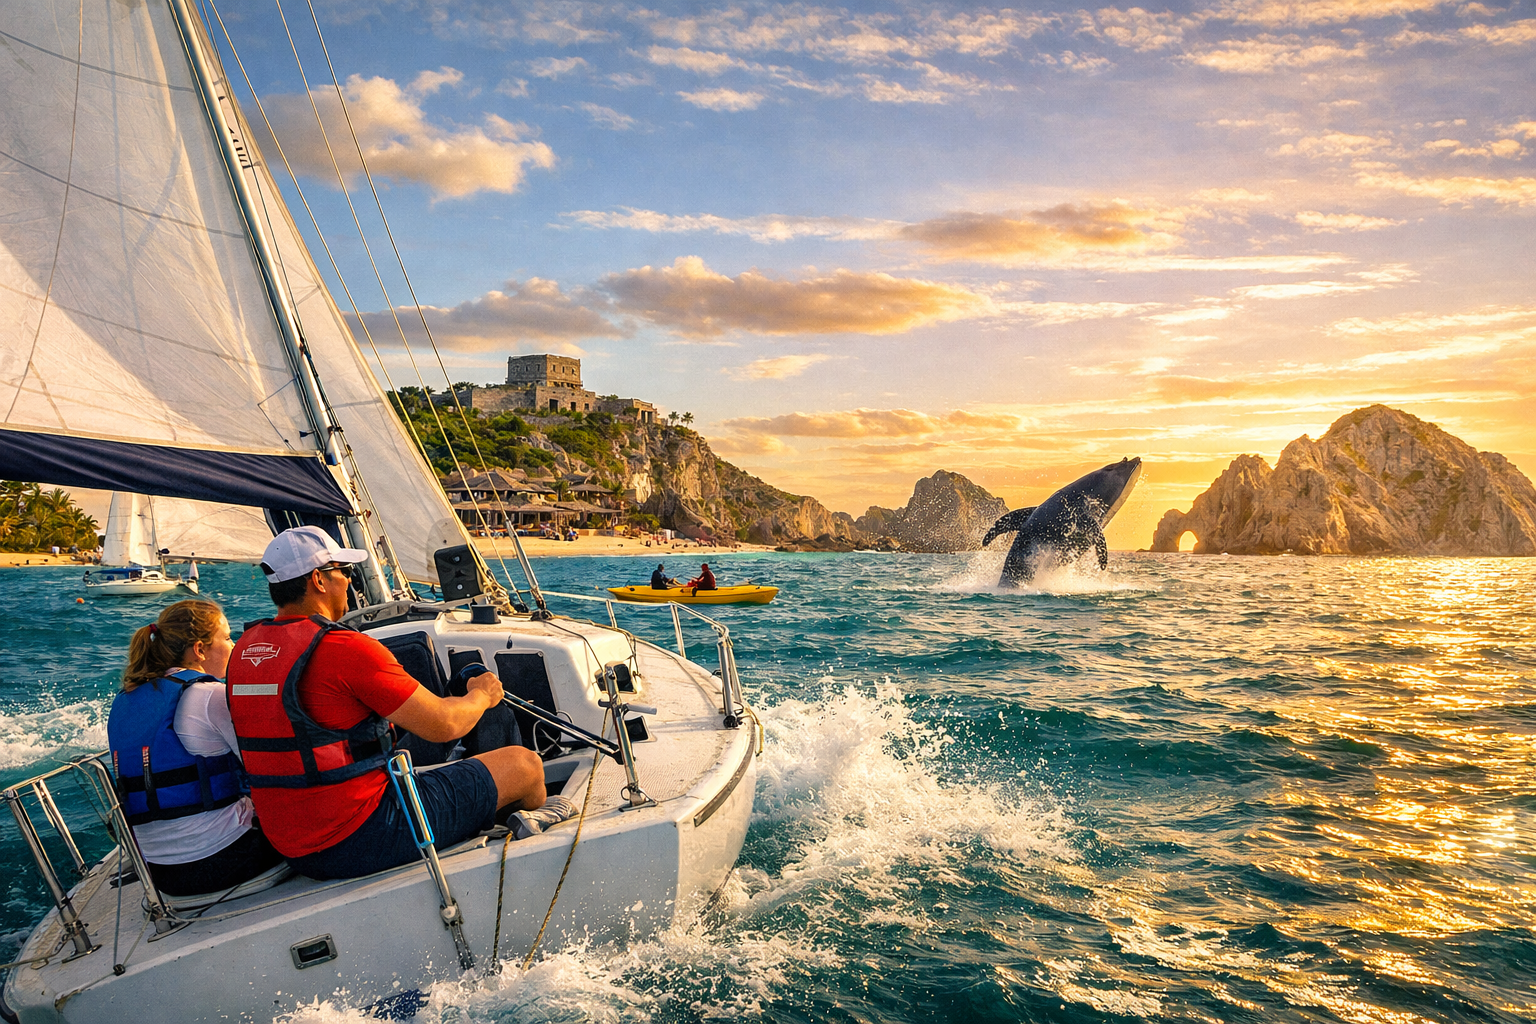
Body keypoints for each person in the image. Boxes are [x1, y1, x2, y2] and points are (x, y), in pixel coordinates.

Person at [225, 526, 572, 881]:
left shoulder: (243, 652)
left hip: (292, 844)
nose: (350, 579)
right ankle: (522, 828)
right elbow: (445, 725)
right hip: (363, 833)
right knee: (526, 766)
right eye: (344, 571)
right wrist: (482, 695)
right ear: (318, 579)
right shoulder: (344, 649)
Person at [107, 600, 285, 896]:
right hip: (223, 859)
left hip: (161, 874)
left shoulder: (125, 700)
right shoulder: (210, 695)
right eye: (227, 637)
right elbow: (270, 766)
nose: (234, 645)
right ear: (200, 650)